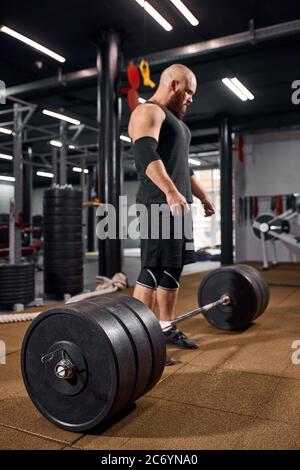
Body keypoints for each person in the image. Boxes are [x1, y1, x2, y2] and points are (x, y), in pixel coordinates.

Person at [128, 64, 215, 365]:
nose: (191, 98)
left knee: (172, 270)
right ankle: (141, 339)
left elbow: (183, 167)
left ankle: (165, 328)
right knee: (152, 269)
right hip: (157, 203)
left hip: (178, 206)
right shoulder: (148, 112)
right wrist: (169, 191)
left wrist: (202, 197)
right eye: (189, 92)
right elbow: (146, 155)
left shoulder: (178, 124)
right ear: (174, 84)